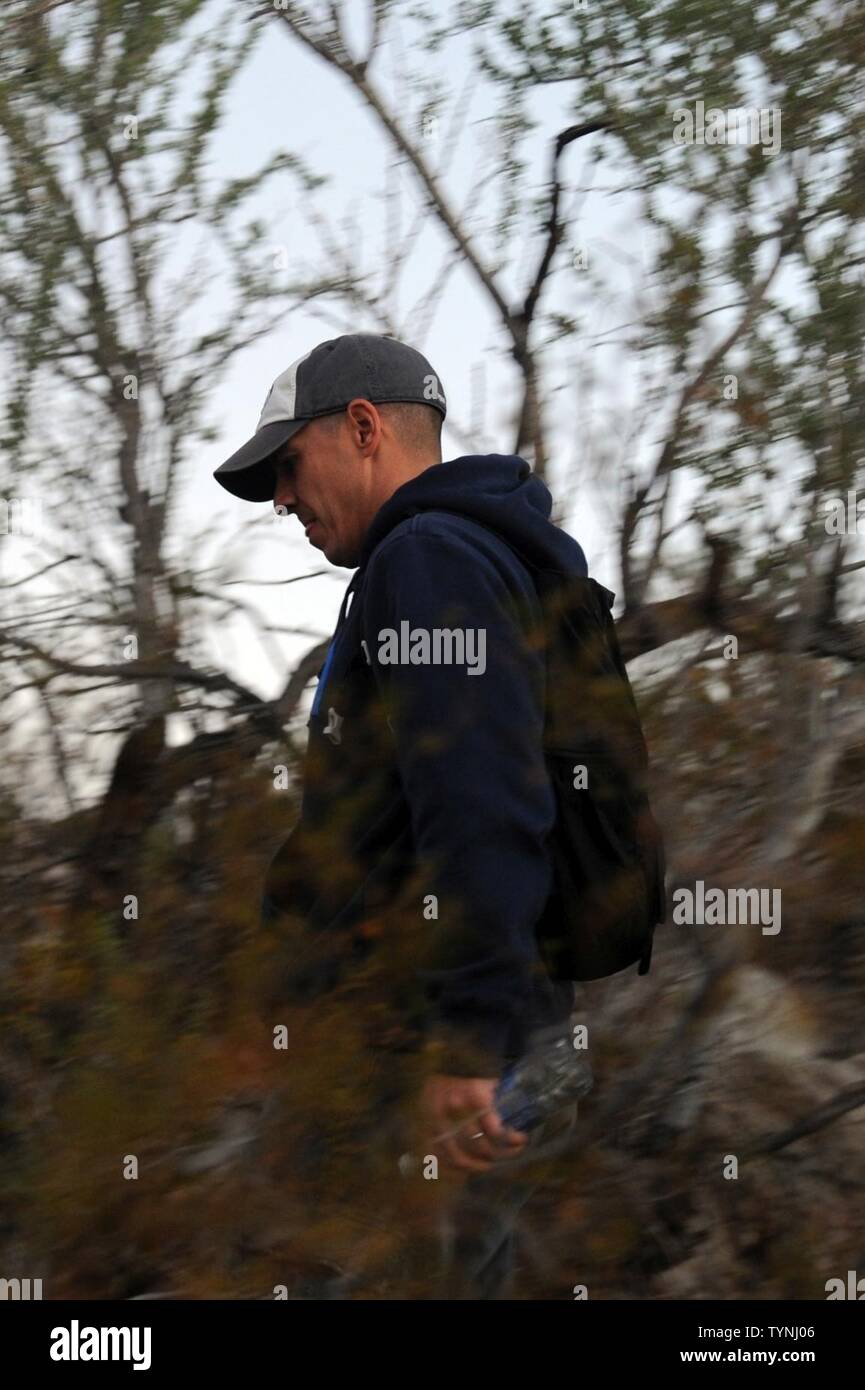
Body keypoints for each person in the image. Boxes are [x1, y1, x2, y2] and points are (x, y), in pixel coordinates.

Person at [213, 332, 590, 1299]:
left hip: (439, 1059)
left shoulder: (429, 562)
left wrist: (465, 1041)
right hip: (458, 1041)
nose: (284, 502)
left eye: (288, 470)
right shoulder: (458, 557)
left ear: (365, 427)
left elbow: (481, 800)